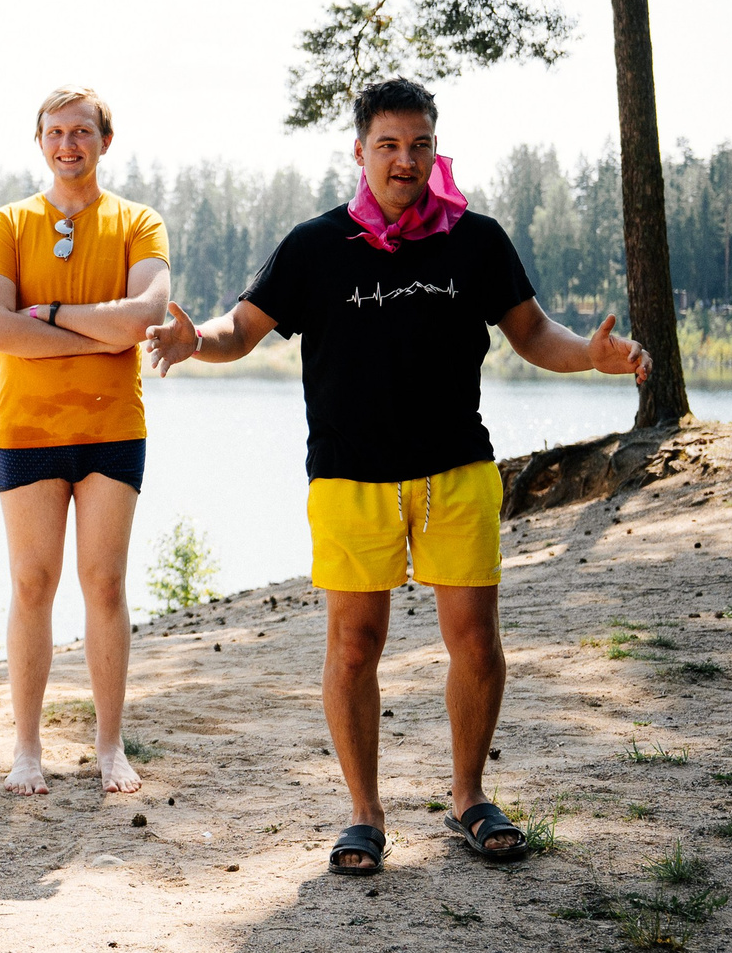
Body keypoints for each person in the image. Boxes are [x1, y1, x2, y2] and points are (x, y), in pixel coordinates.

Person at [145, 77, 651, 876]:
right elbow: (241, 330)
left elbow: (533, 333)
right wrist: (191, 339)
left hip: (455, 470)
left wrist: (591, 356)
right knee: (354, 647)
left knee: (475, 643)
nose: (405, 160)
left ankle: (469, 800)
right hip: (350, 478)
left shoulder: (476, 242)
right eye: (388, 145)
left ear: (434, 150)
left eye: (419, 145)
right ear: (360, 152)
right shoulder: (314, 246)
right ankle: (364, 816)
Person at [0, 88, 171, 798]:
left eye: (81, 132)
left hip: (113, 429)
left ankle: (110, 745)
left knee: (105, 584)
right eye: (55, 132)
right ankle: (26, 750)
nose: (68, 144)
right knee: (32, 584)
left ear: (103, 142)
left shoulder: (138, 223)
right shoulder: (9, 223)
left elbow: (145, 318)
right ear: (40, 142)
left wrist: (50, 315)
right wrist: (95, 331)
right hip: (27, 432)